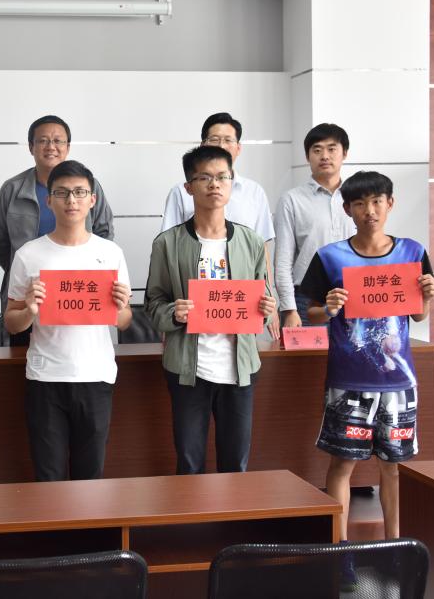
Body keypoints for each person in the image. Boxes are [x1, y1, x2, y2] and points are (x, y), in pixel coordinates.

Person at [299, 171, 434, 576]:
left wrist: (428, 298)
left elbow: (417, 314)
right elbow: (311, 313)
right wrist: (329, 307)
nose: (369, 210)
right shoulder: (330, 257)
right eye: (359, 203)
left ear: (390, 203)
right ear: (347, 209)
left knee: (392, 467)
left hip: (398, 382)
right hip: (349, 380)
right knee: (342, 465)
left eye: (377, 201)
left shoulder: (412, 252)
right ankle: (340, 552)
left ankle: (394, 548)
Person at [145, 146, 276, 475]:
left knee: (236, 463)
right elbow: (153, 302)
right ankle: (192, 512)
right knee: (189, 463)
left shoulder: (251, 241)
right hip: (188, 368)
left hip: (239, 367)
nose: (214, 184)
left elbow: (263, 297)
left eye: (222, 177)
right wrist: (174, 313)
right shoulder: (167, 243)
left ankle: (233, 512)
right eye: (204, 177)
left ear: (231, 183)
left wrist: (267, 307)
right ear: (188, 187)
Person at [5, 160, 132, 481]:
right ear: (49, 200)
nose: (71, 200)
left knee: (90, 477)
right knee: (48, 476)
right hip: (45, 378)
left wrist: (120, 308)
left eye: (79, 192)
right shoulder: (29, 254)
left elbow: (124, 321)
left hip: (96, 376)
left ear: (92, 200)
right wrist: (30, 310)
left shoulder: (110, 253)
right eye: (62, 193)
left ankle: (88, 519)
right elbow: (11, 322)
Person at [0, 115, 114, 346]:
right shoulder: (12, 189)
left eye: (58, 141)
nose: (51, 147)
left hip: (77, 293)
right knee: (20, 360)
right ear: (31, 147)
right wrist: (23, 269)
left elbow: (104, 233)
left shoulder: (89, 186)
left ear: (68, 147)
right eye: (43, 141)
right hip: (27, 296)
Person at [160, 112, 279, 339]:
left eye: (228, 140)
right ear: (203, 144)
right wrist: (169, 317)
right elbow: (167, 252)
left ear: (238, 148)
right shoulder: (181, 192)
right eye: (214, 139)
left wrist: (270, 299)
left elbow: (262, 249)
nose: (222, 146)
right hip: (192, 310)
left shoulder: (254, 192)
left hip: (240, 307)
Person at [273, 124, 357, 328]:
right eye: (317, 150)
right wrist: (289, 309)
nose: (324, 156)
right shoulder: (292, 200)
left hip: (354, 296)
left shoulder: (358, 198)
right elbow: (283, 261)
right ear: (307, 156)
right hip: (306, 300)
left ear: (345, 153)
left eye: (332, 149)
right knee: (308, 352)